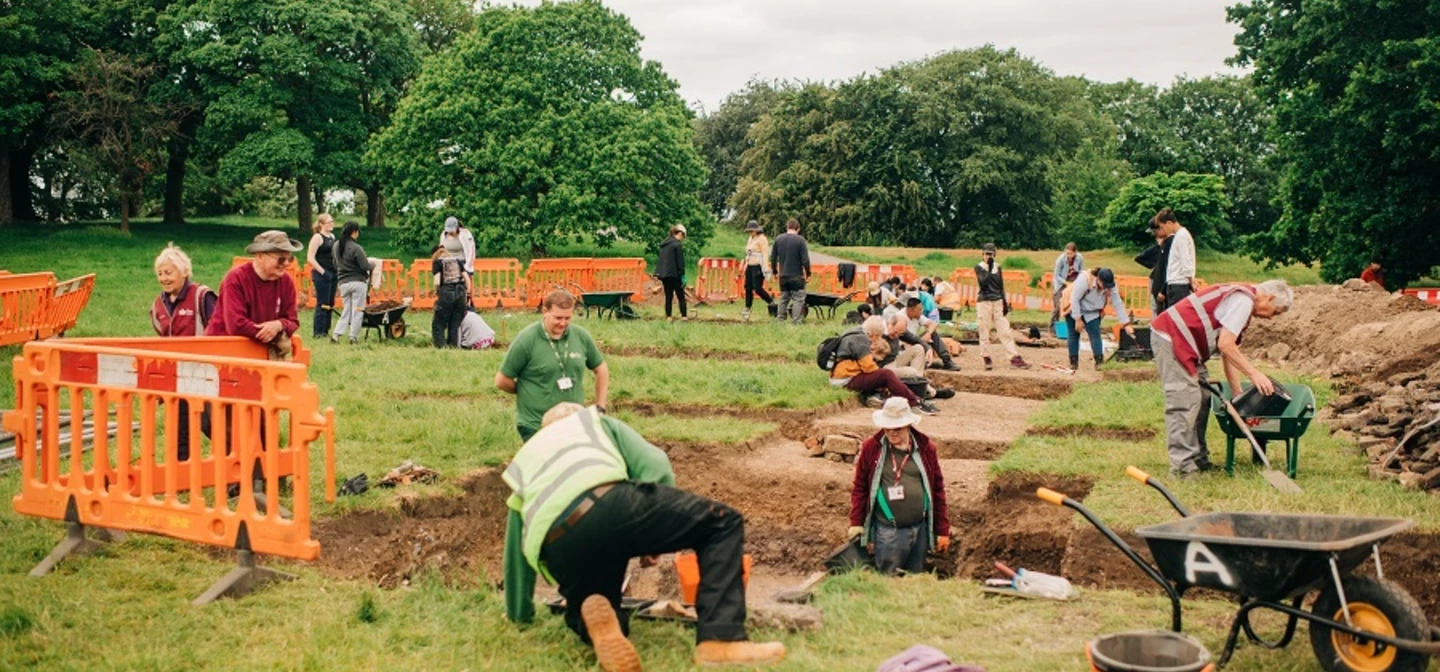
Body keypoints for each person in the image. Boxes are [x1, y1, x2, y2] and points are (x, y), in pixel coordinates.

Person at [503, 402, 786, 669]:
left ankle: (599, 622)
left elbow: (515, 547)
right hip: (606, 504)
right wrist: (652, 539)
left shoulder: (527, 458)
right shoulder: (593, 422)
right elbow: (655, 462)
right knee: (722, 523)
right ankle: (721, 640)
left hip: (557, 545)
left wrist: (520, 614)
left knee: (594, 603)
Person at [1151, 279, 1293, 477]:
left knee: (1202, 398)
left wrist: (1237, 394)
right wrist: (1254, 374)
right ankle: (1183, 469)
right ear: (1270, 298)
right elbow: (1226, 345)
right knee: (1184, 402)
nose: (1271, 318)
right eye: (1275, 312)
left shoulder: (1245, 301)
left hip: (1188, 346)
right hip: (1172, 339)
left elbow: (1228, 352)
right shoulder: (1243, 301)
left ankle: (1199, 461)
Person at [847, 397, 951, 575]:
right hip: (889, 532)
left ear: (909, 425)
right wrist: (856, 522)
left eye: (897, 428)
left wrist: (942, 530)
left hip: (920, 529)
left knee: (914, 578)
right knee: (888, 579)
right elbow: (860, 487)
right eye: (888, 428)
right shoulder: (872, 448)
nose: (892, 433)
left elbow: (937, 489)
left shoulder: (926, 448)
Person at [495, 290, 611, 441]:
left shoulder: (581, 336)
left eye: (567, 318)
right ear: (545, 311)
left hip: (574, 424)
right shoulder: (527, 340)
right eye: (558, 318)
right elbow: (501, 380)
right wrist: (524, 390)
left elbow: (601, 368)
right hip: (536, 425)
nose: (563, 323)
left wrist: (600, 407)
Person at [151, 243, 218, 462]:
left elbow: (218, 329)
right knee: (180, 426)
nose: (164, 278)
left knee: (212, 424)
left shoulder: (202, 296)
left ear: (185, 272)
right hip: (176, 374)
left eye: (169, 272)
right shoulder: (157, 305)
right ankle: (182, 474)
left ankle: (239, 467)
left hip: (205, 373)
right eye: (160, 273)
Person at [208, 230, 301, 356]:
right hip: (224, 351)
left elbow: (293, 321)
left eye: (289, 258)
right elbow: (236, 325)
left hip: (258, 353)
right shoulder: (235, 279)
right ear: (260, 256)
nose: (286, 264)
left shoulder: (286, 281)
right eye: (280, 259)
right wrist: (273, 334)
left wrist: (278, 325)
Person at [830, 316, 940, 415]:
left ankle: (914, 397)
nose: (876, 340)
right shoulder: (861, 340)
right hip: (845, 379)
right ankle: (914, 402)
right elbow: (868, 367)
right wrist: (880, 377)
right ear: (873, 334)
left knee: (884, 375)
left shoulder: (855, 333)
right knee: (886, 374)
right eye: (877, 336)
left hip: (846, 375)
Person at [974, 244, 1030, 371]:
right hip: (984, 301)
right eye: (986, 254)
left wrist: (1004, 302)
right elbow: (983, 283)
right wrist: (989, 267)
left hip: (997, 300)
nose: (988, 256)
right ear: (982, 254)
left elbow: (1001, 286)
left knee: (1005, 330)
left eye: (991, 254)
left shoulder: (998, 267)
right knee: (984, 329)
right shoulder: (979, 267)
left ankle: (1014, 356)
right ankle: (986, 356)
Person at [1067, 268, 1136, 370]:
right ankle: (1073, 362)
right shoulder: (1084, 280)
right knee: (1073, 333)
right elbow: (1074, 299)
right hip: (1075, 308)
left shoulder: (1110, 285)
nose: (1106, 288)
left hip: (1093, 311)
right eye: (1105, 285)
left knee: (1095, 334)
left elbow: (1117, 303)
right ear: (1098, 279)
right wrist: (1077, 319)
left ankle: (1099, 362)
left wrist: (1126, 324)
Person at [330, 221, 375, 344]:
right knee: (357, 310)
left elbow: (335, 264)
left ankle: (336, 335)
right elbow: (365, 265)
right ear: (354, 232)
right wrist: (373, 264)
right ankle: (353, 337)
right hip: (358, 282)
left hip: (343, 283)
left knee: (346, 310)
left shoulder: (336, 246)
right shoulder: (356, 248)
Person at [769, 218, 811, 324]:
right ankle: (796, 320)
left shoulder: (778, 239)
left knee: (783, 298)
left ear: (787, 227)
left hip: (783, 275)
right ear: (798, 229)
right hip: (797, 275)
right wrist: (808, 273)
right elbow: (805, 260)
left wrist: (774, 272)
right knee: (798, 299)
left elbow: (773, 258)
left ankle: (780, 319)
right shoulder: (800, 240)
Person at [903, 298, 961, 371]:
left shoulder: (916, 315)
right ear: (912, 310)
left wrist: (928, 334)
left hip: (915, 341)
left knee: (932, 333)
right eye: (920, 310)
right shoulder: (901, 318)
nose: (921, 312)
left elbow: (933, 324)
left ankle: (947, 361)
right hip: (904, 347)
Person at [1155, 208, 1196, 309]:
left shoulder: (1182, 236)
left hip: (1179, 284)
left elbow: (1185, 261)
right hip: (1174, 283)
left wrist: (1191, 282)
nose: (1163, 230)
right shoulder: (1178, 236)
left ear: (1169, 223)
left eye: (1163, 227)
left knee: (1177, 319)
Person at [431, 245, 472, 348]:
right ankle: (453, 346)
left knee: (439, 322)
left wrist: (436, 292)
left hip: (446, 292)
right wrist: (468, 293)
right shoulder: (457, 261)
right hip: (460, 292)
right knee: (454, 323)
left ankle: (441, 346)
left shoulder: (437, 262)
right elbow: (467, 278)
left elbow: (436, 281)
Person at [306, 214, 338, 338]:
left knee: (330, 302)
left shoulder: (332, 237)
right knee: (322, 302)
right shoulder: (317, 237)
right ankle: (318, 331)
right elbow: (310, 257)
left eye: (332, 222)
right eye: (328, 222)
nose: (331, 224)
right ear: (321, 224)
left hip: (333, 272)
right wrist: (322, 272)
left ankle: (326, 330)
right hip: (321, 274)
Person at [741, 220, 773, 320]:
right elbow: (748, 253)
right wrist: (745, 264)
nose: (750, 233)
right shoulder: (751, 239)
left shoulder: (762, 239)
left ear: (756, 230)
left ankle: (771, 302)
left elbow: (765, 253)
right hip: (750, 265)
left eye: (751, 231)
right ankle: (747, 307)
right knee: (748, 287)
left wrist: (765, 267)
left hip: (758, 266)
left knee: (758, 288)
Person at [656, 224, 688, 321]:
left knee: (668, 296)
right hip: (675, 275)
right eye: (683, 236)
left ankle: (669, 317)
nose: (682, 238)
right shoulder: (677, 244)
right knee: (681, 296)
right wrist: (682, 275)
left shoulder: (664, 245)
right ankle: (684, 317)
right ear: (679, 233)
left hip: (665, 275)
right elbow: (680, 261)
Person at [1050, 243, 1084, 329]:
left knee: (1071, 304)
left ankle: (1071, 326)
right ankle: (1052, 327)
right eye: (1067, 253)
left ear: (1075, 252)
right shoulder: (1060, 260)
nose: (1069, 255)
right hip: (1060, 282)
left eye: (1070, 253)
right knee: (1058, 306)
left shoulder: (1079, 258)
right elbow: (1056, 275)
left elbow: (1080, 271)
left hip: (1073, 282)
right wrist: (1065, 283)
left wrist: (1077, 282)